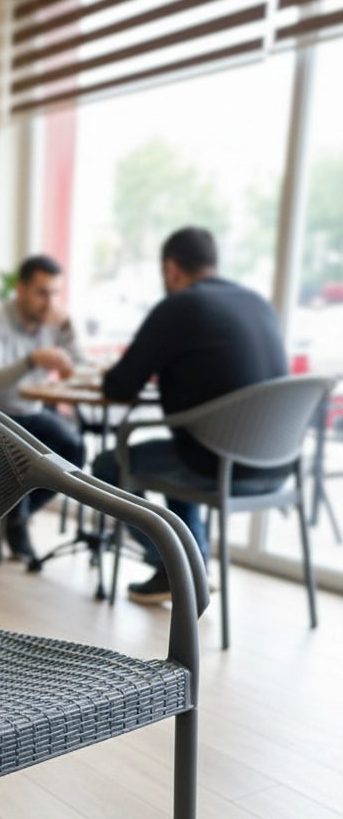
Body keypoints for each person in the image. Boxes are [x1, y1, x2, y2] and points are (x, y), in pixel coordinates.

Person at [92, 226, 289, 604]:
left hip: (220, 466)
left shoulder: (179, 307)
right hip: (278, 466)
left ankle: (179, 570)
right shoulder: (258, 302)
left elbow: (119, 386)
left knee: (107, 466)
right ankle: (191, 564)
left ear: (171, 269)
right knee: (185, 444)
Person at [0, 253, 87, 562]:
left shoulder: (52, 322)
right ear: (21, 290)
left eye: (55, 293)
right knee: (27, 454)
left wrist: (69, 326)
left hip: (29, 411)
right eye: (42, 293)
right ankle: (16, 517)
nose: (50, 302)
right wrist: (32, 361)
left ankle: (19, 513)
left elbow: (81, 366)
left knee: (73, 449)